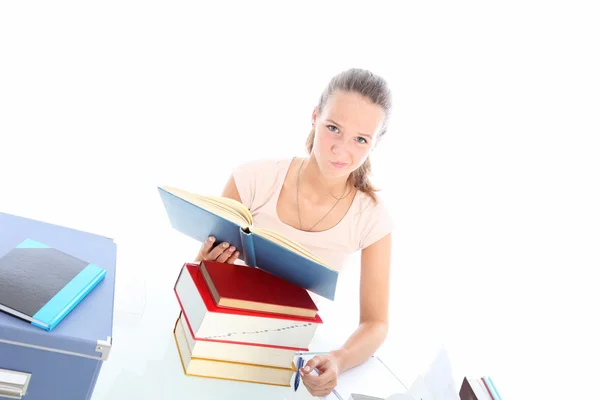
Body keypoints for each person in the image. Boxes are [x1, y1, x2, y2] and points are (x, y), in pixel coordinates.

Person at [194, 68, 394, 397]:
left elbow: (376, 323)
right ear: (315, 117)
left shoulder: (371, 218)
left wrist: (338, 359)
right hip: (218, 339)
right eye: (333, 128)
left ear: (375, 143)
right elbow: (201, 273)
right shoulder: (252, 179)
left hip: (285, 356)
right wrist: (204, 264)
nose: (341, 149)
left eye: (361, 139)